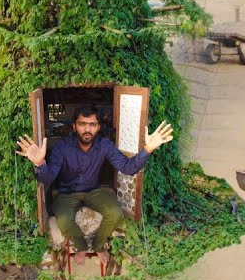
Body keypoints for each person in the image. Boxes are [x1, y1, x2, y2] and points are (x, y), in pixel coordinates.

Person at [16, 107, 173, 258]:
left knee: (115, 213)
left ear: (98, 127)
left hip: (93, 191)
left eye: (92, 124)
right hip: (66, 193)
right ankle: (81, 247)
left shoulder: (105, 145)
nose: (87, 129)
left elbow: (128, 168)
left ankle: (98, 246)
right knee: (64, 220)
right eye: (82, 124)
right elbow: (48, 178)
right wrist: (39, 163)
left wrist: (148, 149)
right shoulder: (61, 147)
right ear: (74, 126)